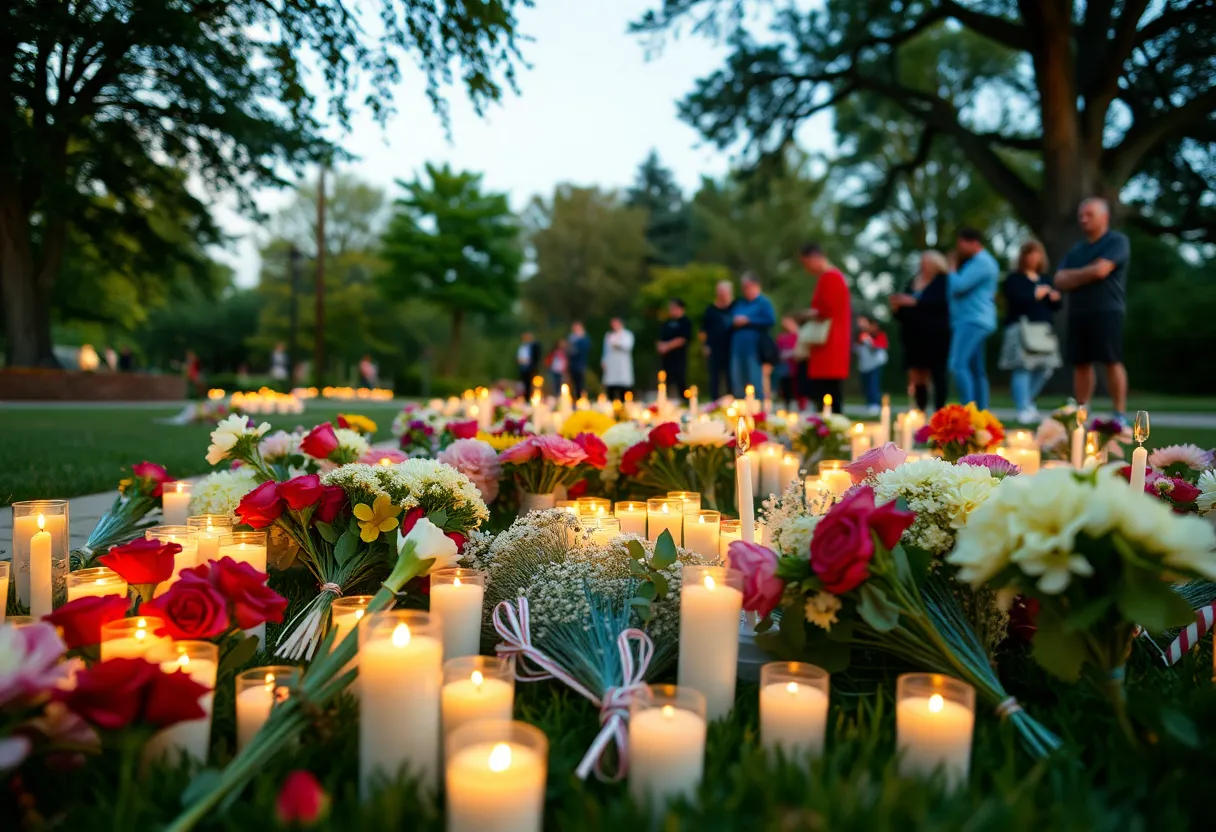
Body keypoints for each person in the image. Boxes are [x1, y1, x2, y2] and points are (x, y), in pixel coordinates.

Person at [1053, 198, 1131, 423]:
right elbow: (1059, 279)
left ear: (1104, 217)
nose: (1084, 219)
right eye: (1081, 216)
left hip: (1107, 310)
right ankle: (1081, 413)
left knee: (1111, 360)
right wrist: (1090, 271)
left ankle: (1119, 414)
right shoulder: (1077, 250)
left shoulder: (1116, 241)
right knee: (1081, 363)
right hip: (1079, 312)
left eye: (1089, 214)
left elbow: (1101, 271)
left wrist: (1075, 276)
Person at [999, 240, 1062, 423]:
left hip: (1043, 331)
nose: (1034, 257)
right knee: (1023, 368)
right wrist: (1035, 295)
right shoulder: (1014, 279)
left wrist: (1054, 298)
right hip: (1022, 328)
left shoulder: (1045, 279)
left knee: (1046, 368)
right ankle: (1023, 408)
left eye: (1037, 254)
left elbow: (1056, 306)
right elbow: (1014, 300)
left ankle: (1027, 401)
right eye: (1029, 253)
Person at [889, 251, 952, 411]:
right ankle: (920, 408)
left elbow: (940, 304)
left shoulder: (943, 282)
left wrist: (914, 301)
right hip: (912, 336)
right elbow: (904, 309)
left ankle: (940, 409)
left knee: (936, 372)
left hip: (935, 336)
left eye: (927, 263)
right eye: (922, 263)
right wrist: (898, 308)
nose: (923, 266)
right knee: (916, 373)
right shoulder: (913, 282)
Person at [946, 228, 999, 409]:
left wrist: (952, 268)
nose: (959, 249)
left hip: (973, 319)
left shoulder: (982, 262)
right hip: (974, 319)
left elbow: (959, 286)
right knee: (976, 369)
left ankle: (968, 409)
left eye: (961, 245)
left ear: (973, 243)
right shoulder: (977, 262)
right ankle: (980, 410)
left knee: (957, 364)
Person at [798, 243, 853, 413]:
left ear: (814, 258)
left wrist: (809, 314)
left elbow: (827, 309)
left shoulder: (830, 277)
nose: (807, 269)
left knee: (827, 393)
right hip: (832, 342)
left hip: (828, 344)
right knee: (828, 391)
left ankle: (829, 431)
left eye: (806, 264)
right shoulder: (835, 276)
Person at [729, 273, 776, 399]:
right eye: (744, 287)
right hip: (738, 346)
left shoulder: (763, 302)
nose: (745, 290)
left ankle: (757, 405)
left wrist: (749, 320)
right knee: (738, 376)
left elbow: (770, 320)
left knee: (755, 376)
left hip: (755, 346)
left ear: (756, 286)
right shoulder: (739, 303)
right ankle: (739, 405)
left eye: (748, 287)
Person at [700, 281, 735, 401]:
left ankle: (732, 403)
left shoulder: (735, 308)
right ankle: (714, 403)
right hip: (714, 350)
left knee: (731, 378)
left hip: (731, 349)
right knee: (714, 379)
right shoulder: (710, 310)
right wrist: (705, 345)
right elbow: (703, 331)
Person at [657, 298, 693, 398]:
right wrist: (661, 347)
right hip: (666, 359)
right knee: (666, 381)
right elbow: (660, 338)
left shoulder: (685, 322)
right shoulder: (666, 323)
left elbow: (683, 339)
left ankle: (685, 399)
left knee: (680, 379)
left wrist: (667, 346)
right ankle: (665, 400)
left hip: (679, 357)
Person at [854, 315, 889, 414]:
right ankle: (869, 403)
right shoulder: (860, 335)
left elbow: (878, 348)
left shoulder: (879, 335)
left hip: (875, 364)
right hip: (864, 365)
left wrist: (869, 341)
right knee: (866, 385)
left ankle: (875, 405)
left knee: (873, 384)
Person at [601, 318, 635, 401]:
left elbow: (628, 346)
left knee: (623, 386)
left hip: (622, 365)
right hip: (611, 364)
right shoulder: (609, 335)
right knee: (611, 386)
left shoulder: (627, 335)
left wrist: (617, 344)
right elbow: (606, 350)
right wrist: (603, 361)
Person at [775, 316, 803, 411]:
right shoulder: (781, 337)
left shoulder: (799, 336)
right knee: (786, 387)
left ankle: (801, 407)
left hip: (796, 366)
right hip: (784, 367)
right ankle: (788, 407)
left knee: (798, 388)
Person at [567, 321, 591, 399]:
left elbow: (585, 349)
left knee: (580, 383)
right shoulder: (571, 338)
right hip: (572, 364)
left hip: (580, 364)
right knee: (572, 383)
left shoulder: (584, 338)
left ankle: (580, 398)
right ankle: (573, 399)